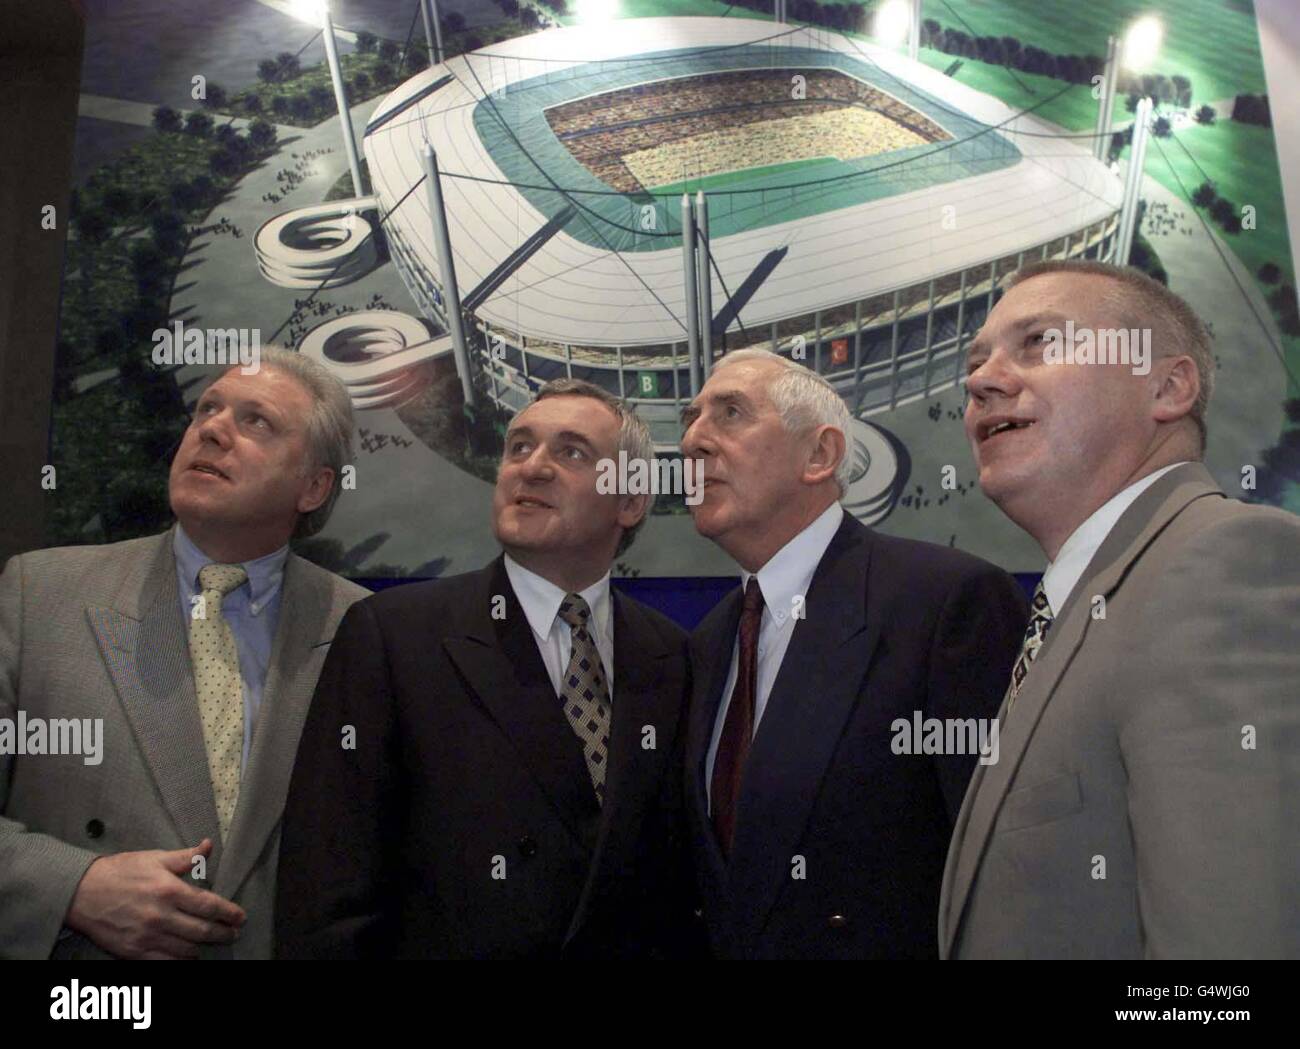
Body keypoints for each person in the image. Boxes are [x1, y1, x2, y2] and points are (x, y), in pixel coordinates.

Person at [941, 259, 1300, 958]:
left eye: (1040, 341)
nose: (980, 379)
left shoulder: (1223, 565)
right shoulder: (1087, 601)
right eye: (978, 360)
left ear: (1167, 387)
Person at [276, 379, 698, 959]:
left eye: (571, 452)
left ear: (630, 499)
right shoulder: (393, 636)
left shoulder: (673, 656)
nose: (533, 468)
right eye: (519, 447)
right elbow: (325, 889)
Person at [0, 347, 369, 959]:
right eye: (208, 409)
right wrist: (72, 886)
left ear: (313, 486)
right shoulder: (38, 596)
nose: (213, 428)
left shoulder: (364, 628)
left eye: (257, 421)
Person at [679, 348, 1026, 958]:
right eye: (692, 417)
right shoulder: (710, 642)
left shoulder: (946, 603)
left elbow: (1007, 864)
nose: (693, 441)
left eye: (730, 413)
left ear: (820, 455)